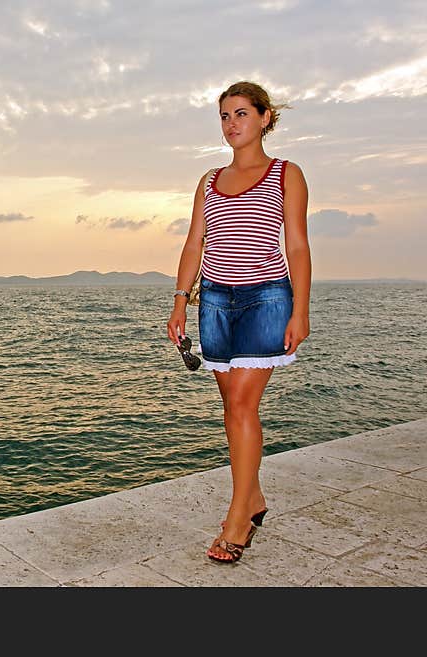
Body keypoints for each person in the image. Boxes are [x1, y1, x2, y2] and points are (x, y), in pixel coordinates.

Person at [166, 80, 312, 563]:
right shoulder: (208, 180)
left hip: (265, 299)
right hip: (214, 303)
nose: (232, 124)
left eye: (242, 114)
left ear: (266, 117)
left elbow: (296, 246)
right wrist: (179, 301)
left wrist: (301, 308)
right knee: (232, 409)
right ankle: (254, 498)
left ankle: (238, 521)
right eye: (225, 116)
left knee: (244, 406)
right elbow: (194, 244)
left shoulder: (286, 173)